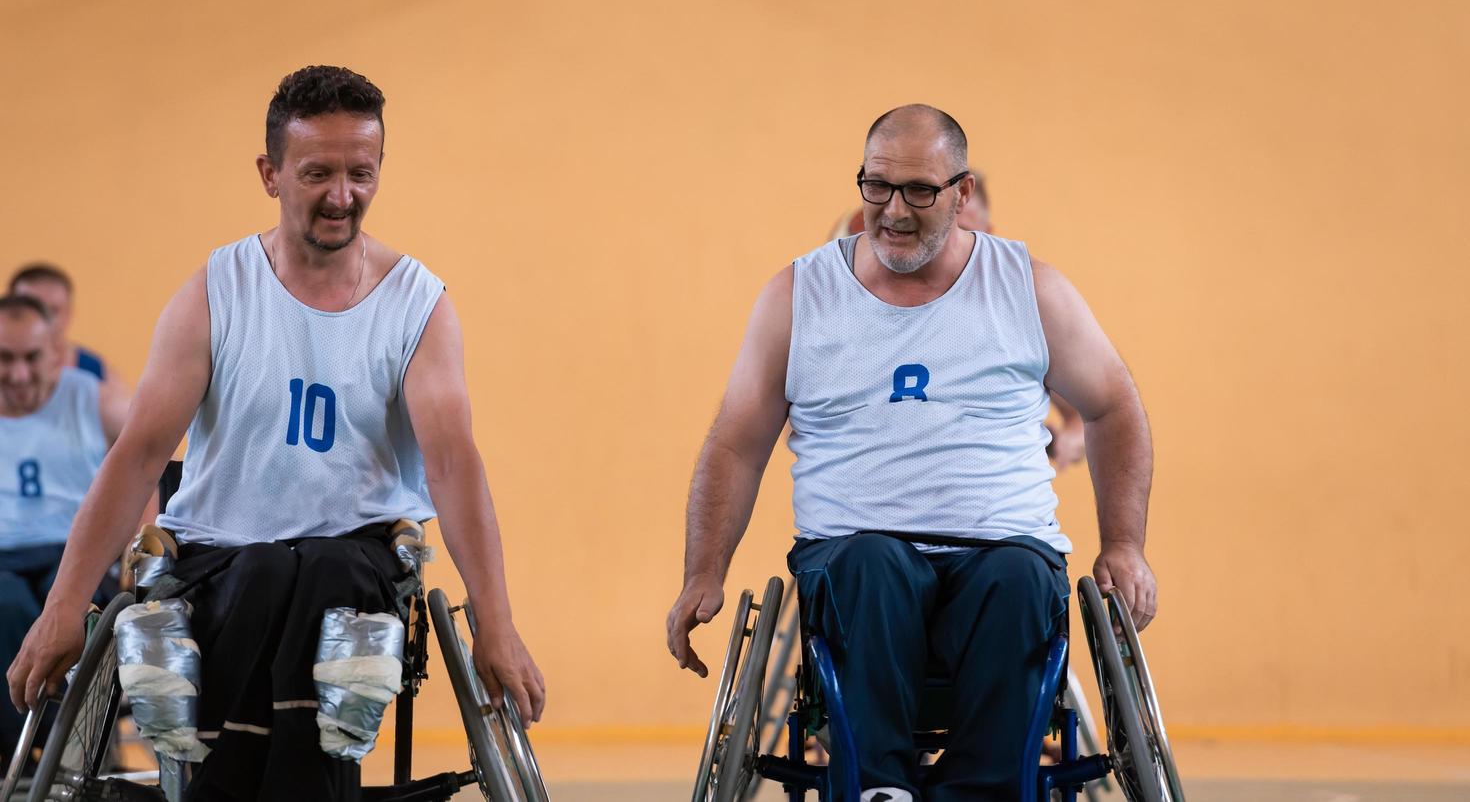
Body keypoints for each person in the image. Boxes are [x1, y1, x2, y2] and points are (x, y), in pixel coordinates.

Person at [7, 66, 545, 802]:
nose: (342, 195)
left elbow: (453, 465)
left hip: (356, 569)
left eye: (361, 173)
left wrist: (498, 624)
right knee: (266, 573)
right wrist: (65, 606)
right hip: (223, 566)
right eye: (318, 172)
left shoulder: (418, 303)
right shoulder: (215, 289)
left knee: (322, 570)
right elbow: (137, 458)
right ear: (271, 174)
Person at [667, 104, 1158, 802]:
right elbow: (734, 447)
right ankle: (879, 790)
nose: (894, 210)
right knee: (873, 561)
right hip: (854, 560)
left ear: (962, 194)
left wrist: (1125, 544)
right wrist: (702, 573)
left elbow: (1114, 407)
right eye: (877, 186)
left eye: (920, 191)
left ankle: (980, 793)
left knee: (1018, 574)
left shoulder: (1029, 288)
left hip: (1004, 557)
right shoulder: (798, 296)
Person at [832, 170, 1088, 472]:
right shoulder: (852, 321)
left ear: (989, 234)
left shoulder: (1015, 318)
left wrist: (1063, 440)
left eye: (963, 230)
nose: (946, 243)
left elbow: (1091, 414)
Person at [0, 294, 128, 761]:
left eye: (30, 358)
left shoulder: (94, 398)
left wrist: (140, 549)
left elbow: (150, 466)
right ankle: (41, 750)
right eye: (4, 359)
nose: (17, 374)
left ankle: (76, 750)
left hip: (74, 553)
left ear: (55, 352)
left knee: (82, 604)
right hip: (4, 558)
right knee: (5, 603)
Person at [9, 264, 113, 381]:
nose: (41, 321)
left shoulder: (96, 372)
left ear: (68, 314)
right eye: (31, 309)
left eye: (53, 310)